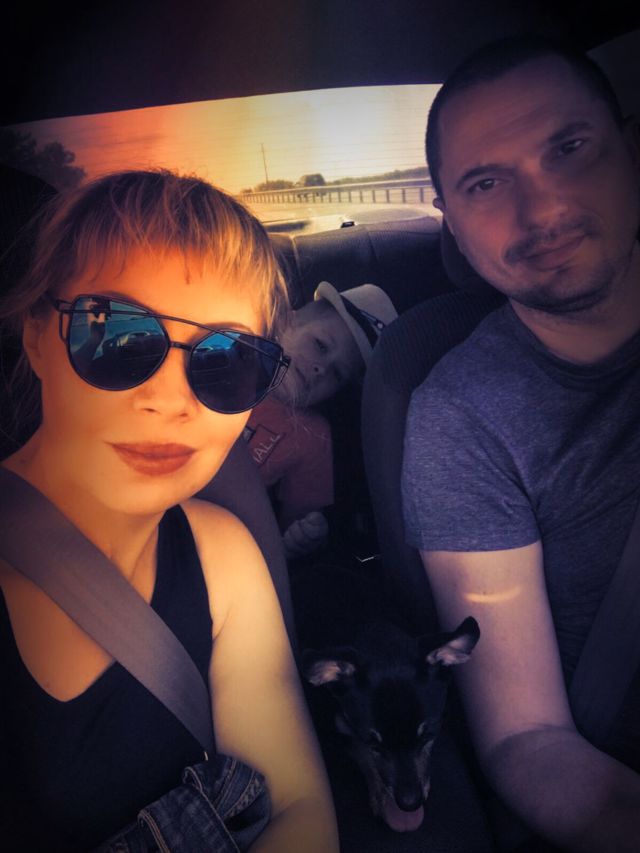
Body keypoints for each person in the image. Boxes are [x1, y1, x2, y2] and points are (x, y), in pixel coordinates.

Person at [0, 169, 339, 852]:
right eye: (118, 338)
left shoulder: (225, 558)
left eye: (227, 360)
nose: (170, 399)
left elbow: (297, 808)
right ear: (37, 338)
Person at [401, 36, 640, 852]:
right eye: (485, 183)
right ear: (453, 225)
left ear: (630, 150)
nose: (540, 211)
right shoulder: (460, 417)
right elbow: (526, 737)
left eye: (568, 148)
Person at [244, 282, 397, 558]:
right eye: (320, 345)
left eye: (337, 374)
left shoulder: (312, 438)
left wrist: (299, 537)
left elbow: (293, 522)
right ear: (286, 320)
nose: (320, 368)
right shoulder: (229, 354)